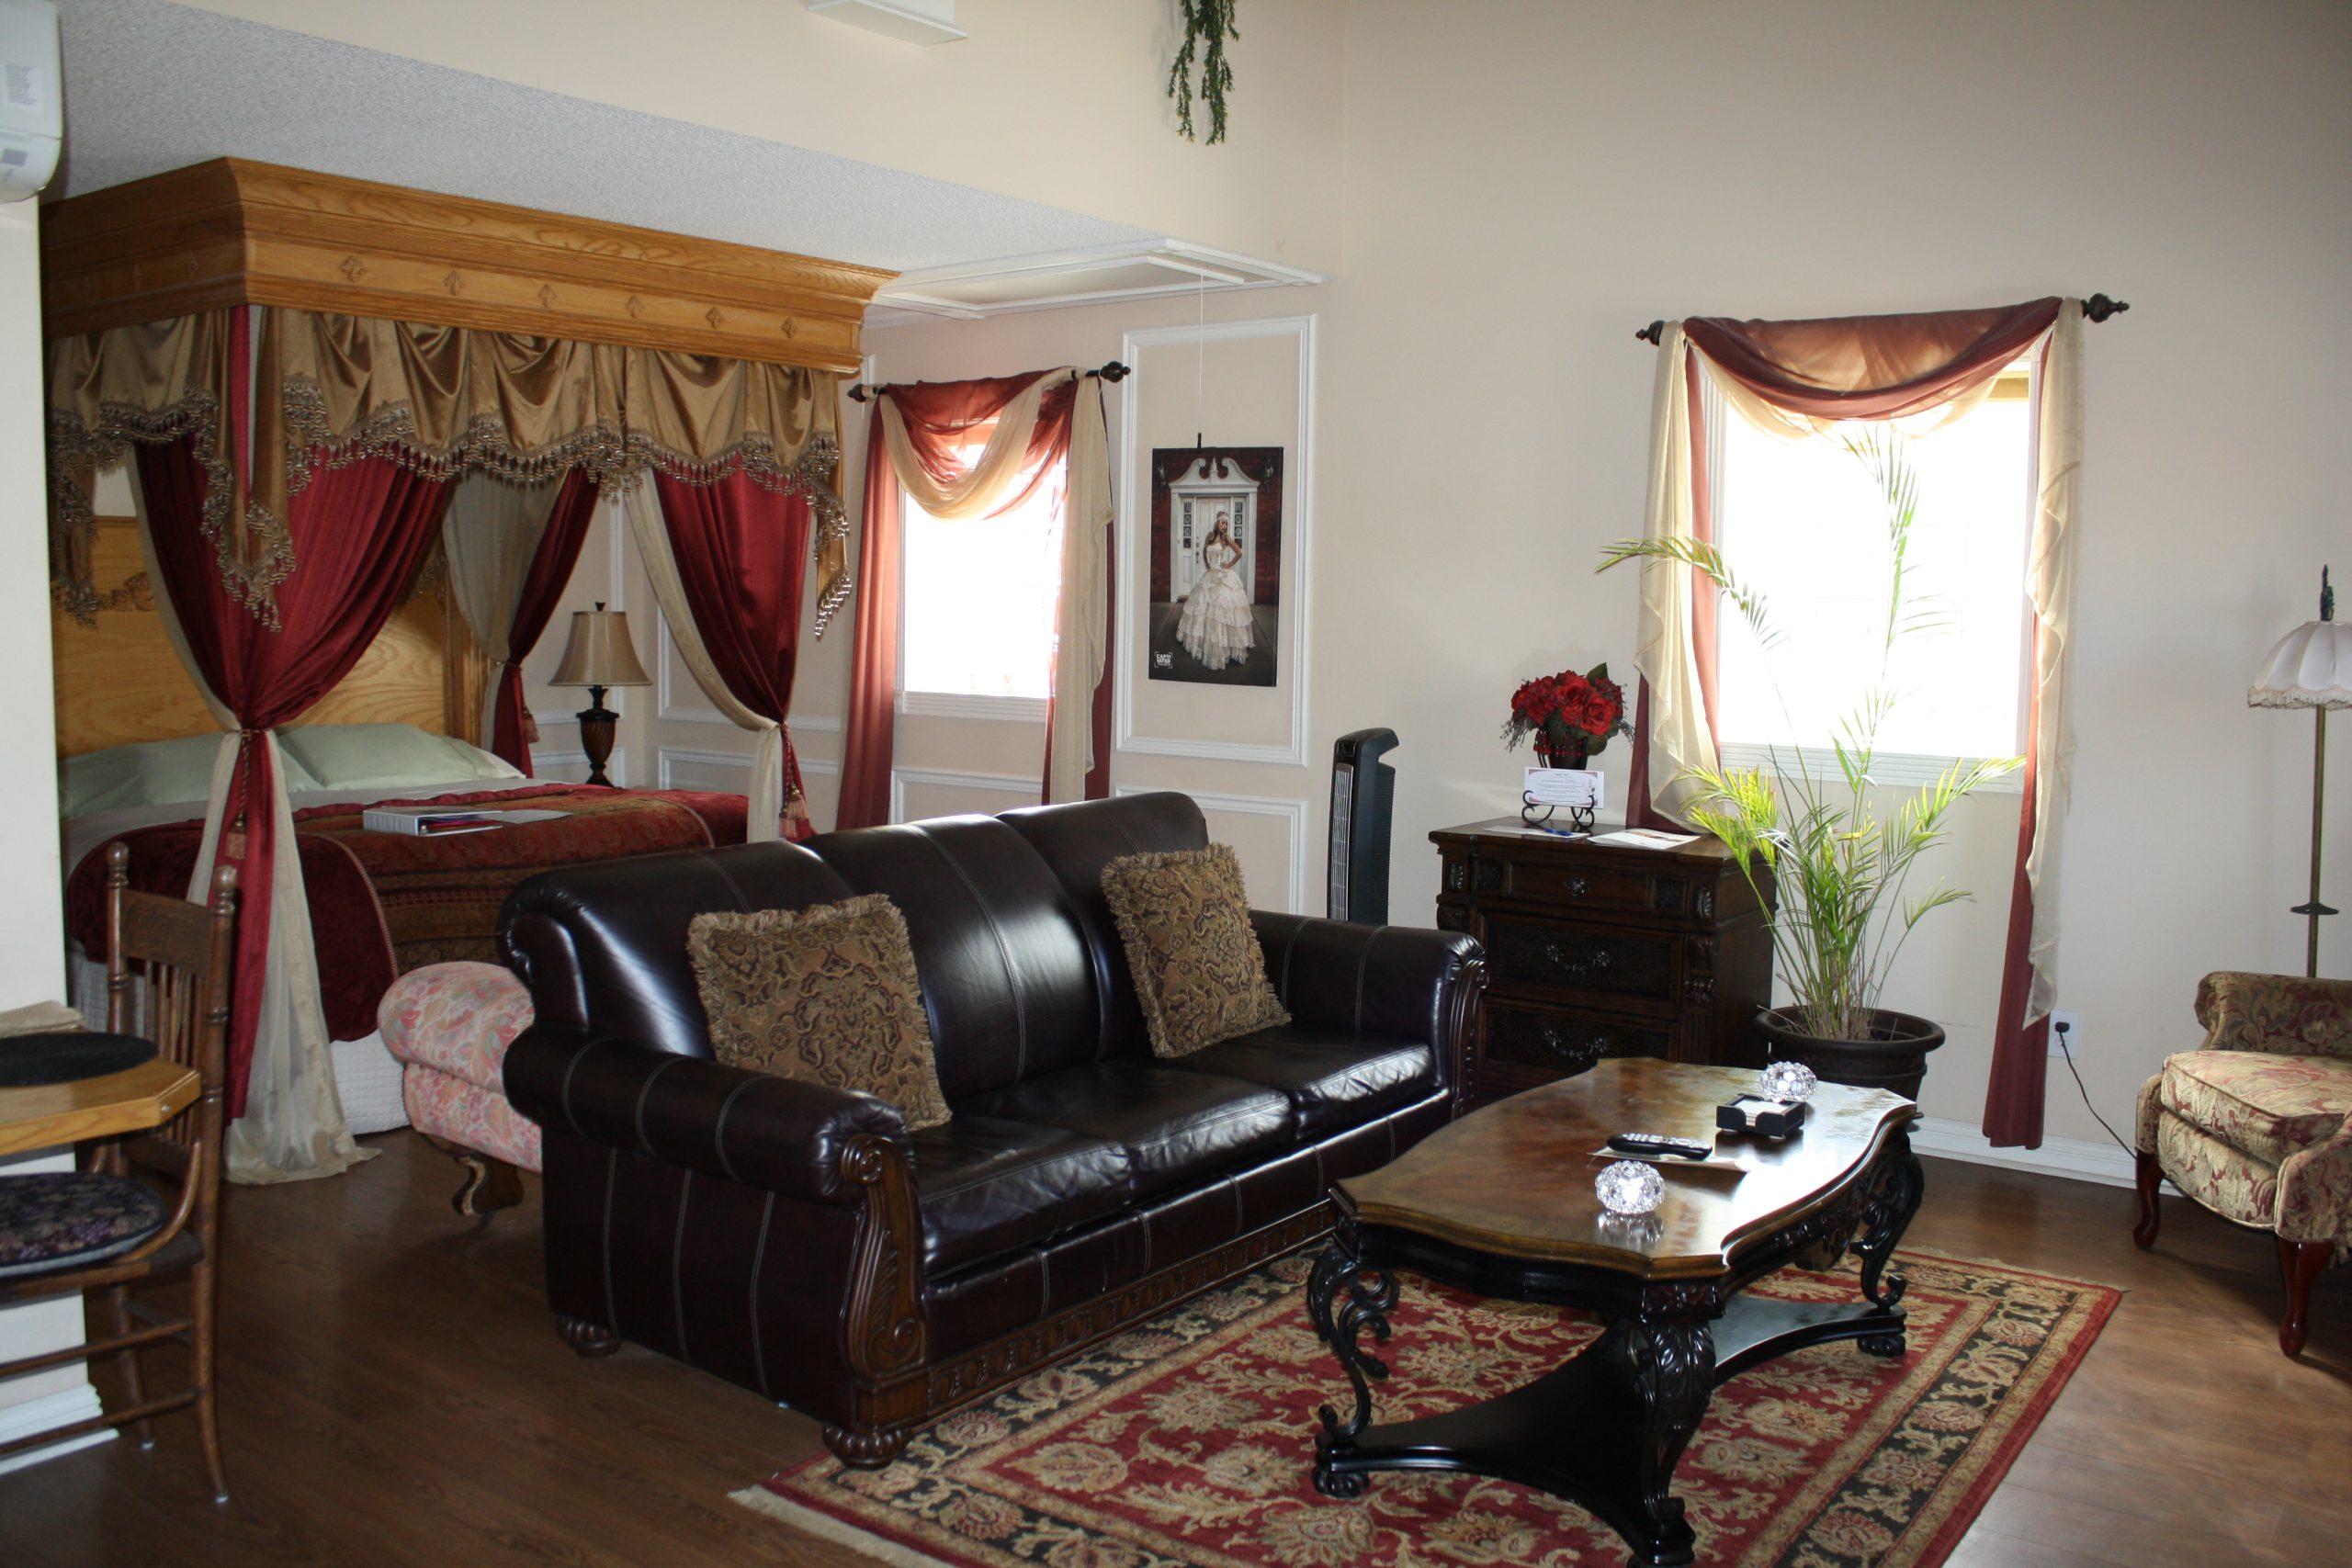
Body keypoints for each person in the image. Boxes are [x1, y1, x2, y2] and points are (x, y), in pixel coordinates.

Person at [1176, 513, 1254, 670]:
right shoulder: (1209, 537)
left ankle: (1224, 645)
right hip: (1210, 573)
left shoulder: (1226, 539)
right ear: (1217, 523)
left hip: (1222, 575)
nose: (1224, 526)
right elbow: (1205, 552)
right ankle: (1204, 643)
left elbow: (1239, 553)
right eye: (1222, 523)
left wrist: (1229, 565)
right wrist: (1208, 567)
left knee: (1220, 607)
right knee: (1203, 607)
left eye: (1226, 523)